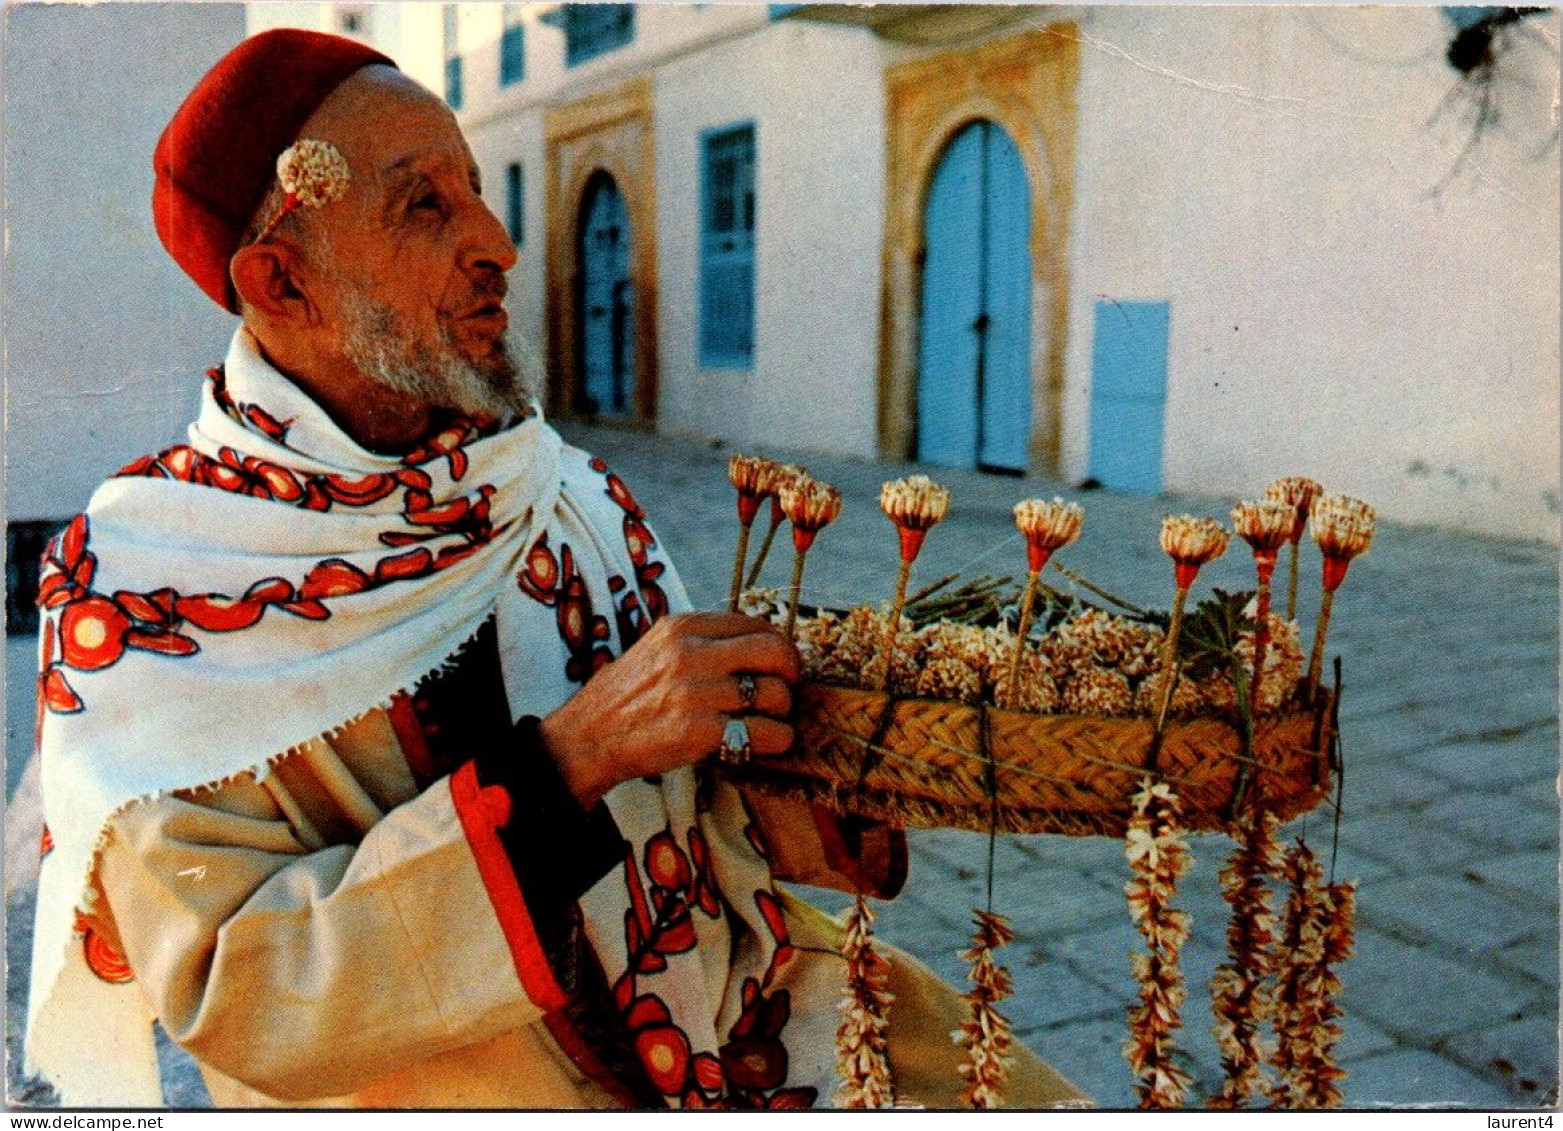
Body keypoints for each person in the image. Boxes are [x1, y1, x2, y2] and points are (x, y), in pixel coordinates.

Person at [25, 29, 1087, 1109]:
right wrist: (567, 766)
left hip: (737, 1024)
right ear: (283, 281)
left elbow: (679, 806)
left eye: (478, 190)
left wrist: (802, 806)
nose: (499, 243)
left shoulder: (556, 487)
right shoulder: (142, 594)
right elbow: (236, 992)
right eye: (424, 206)